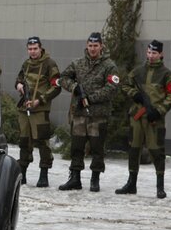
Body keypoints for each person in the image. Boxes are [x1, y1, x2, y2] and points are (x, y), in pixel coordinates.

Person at [58, 32, 120, 192]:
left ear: (101, 46)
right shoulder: (78, 63)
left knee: (97, 148)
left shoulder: (109, 66)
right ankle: (75, 178)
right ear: (87, 45)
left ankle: (95, 179)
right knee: (76, 147)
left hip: (98, 115)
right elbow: (63, 78)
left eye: (96, 46)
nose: (93, 49)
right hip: (79, 114)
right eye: (90, 45)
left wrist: (91, 98)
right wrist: (74, 88)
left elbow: (112, 88)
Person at [116, 40, 171, 198]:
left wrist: (159, 111)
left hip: (154, 119)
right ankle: (131, 183)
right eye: (149, 53)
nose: (151, 56)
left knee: (156, 150)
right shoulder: (138, 72)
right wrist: (135, 94)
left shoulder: (166, 74)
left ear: (161, 54)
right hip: (137, 117)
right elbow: (124, 85)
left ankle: (160, 186)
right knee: (134, 149)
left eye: (154, 53)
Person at [14, 36, 61, 187]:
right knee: (24, 141)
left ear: (41, 48)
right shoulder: (26, 63)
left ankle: (44, 173)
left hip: (39, 109)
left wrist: (39, 100)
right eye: (30, 49)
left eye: (35, 49)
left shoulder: (49, 64)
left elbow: (56, 86)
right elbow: (19, 79)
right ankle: (23, 173)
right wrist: (19, 85)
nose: (32, 52)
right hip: (24, 108)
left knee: (42, 141)